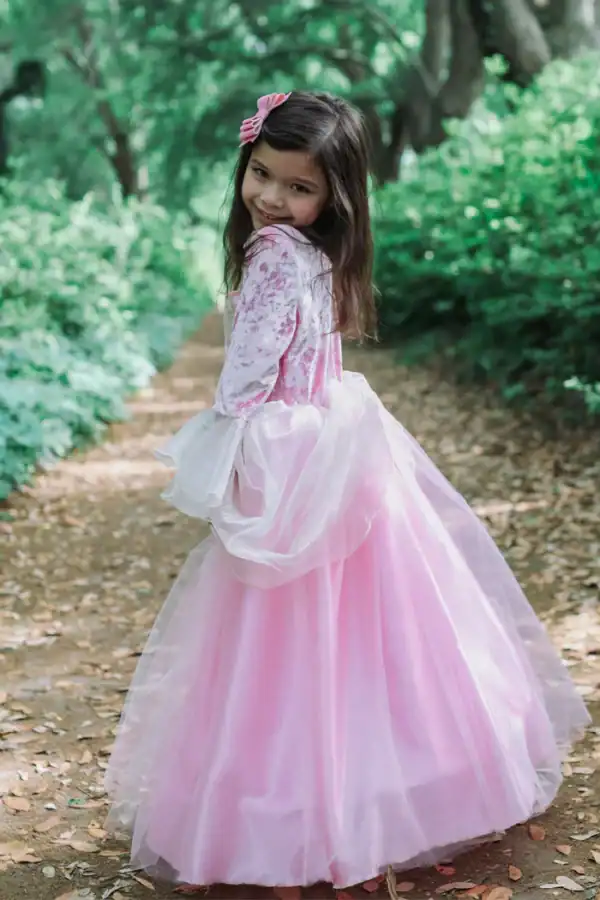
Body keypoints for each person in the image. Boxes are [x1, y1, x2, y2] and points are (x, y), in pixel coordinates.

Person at [104, 91, 589, 899]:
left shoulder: (270, 258)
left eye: (297, 188)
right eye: (262, 175)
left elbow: (250, 375)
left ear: (334, 196)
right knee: (370, 625)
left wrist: (226, 442)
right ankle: (390, 784)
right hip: (336, 437)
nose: (270, 197)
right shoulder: (317, 254)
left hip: (288, 449)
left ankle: (291, 813)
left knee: (285, 633)